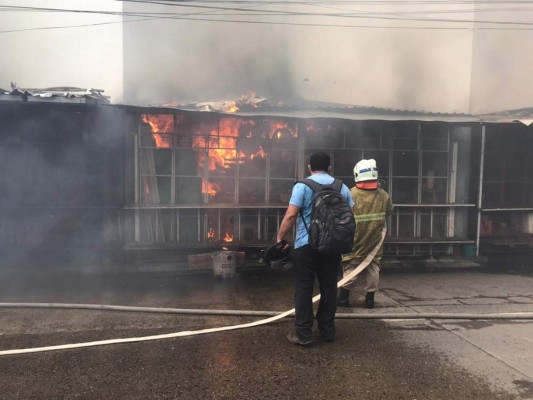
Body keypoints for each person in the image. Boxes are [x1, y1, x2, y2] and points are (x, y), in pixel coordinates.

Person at [276, 152, 354, 345]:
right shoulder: (342, 187)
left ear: (309, 167)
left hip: (306, 245)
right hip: (332, 246)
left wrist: (280, 237)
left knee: (304, 288)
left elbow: (291, 216)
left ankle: (304, 334)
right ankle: (327, 331)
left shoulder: (302, 186)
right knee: (329, 287)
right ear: (329, 167)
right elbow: (349, 215)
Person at [337, 159, 393, 309]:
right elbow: (389, 212)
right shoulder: (384, 195)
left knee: (351, 268)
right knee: (373, 268)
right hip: (375, 240)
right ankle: (370, 299)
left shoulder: (350, 194)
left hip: (355, 239)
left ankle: (343, 298)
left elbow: (342, 215)